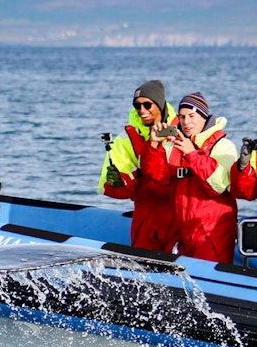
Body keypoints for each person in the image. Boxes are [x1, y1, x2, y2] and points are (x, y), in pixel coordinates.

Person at [136, 92, 238, 262]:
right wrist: (153, 145)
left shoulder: (223, 146)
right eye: (182, 117)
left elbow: (218, 185)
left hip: (212, 231)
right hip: (183, 231)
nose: (186, 122)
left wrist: (192, 154)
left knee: (207, 281)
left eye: (192, 116)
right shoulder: (175, 144)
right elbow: (155, 175)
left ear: (204, 117)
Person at [98, 80, 178, 251]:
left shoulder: (183, 129)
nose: (142, 111)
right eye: (137, 105)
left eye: (147, 105)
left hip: (178, 216)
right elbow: (115, 184)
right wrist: (118, 183)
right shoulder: (125, 139)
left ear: (159, 104)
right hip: (146, 217)